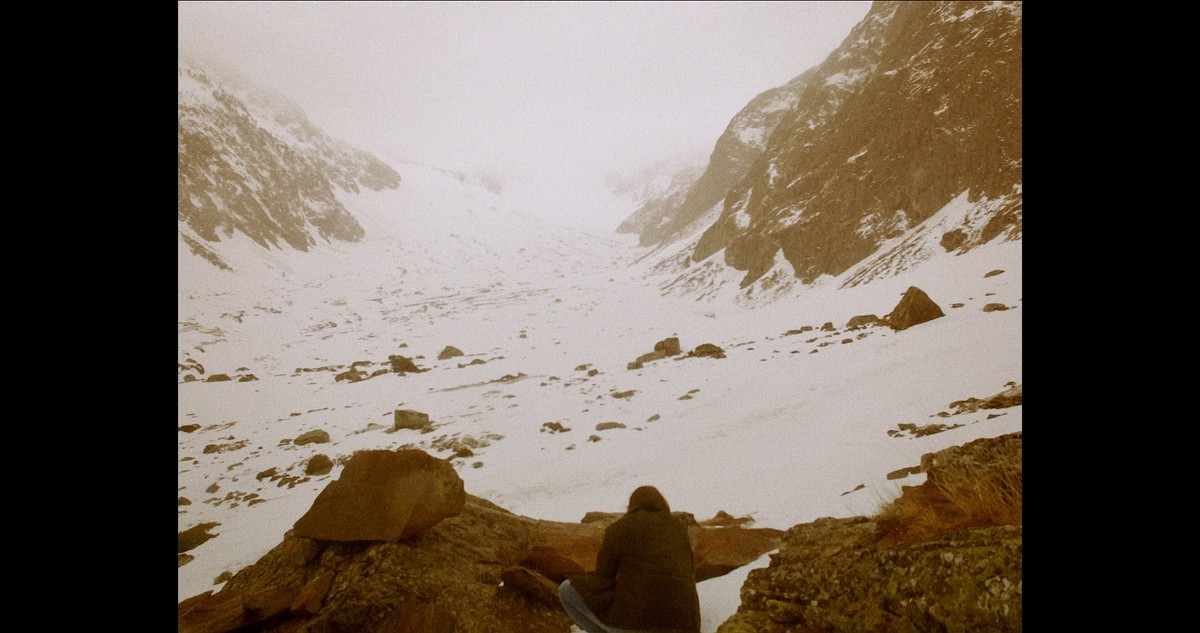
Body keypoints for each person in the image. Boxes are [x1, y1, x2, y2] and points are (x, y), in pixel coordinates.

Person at [558, 485, 701, 633]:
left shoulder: (618, 529)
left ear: (632, 506)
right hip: (686, 626)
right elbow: (690, 575)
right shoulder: (679, 528)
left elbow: (602, 579)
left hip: (636, 625)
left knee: (566, 589)